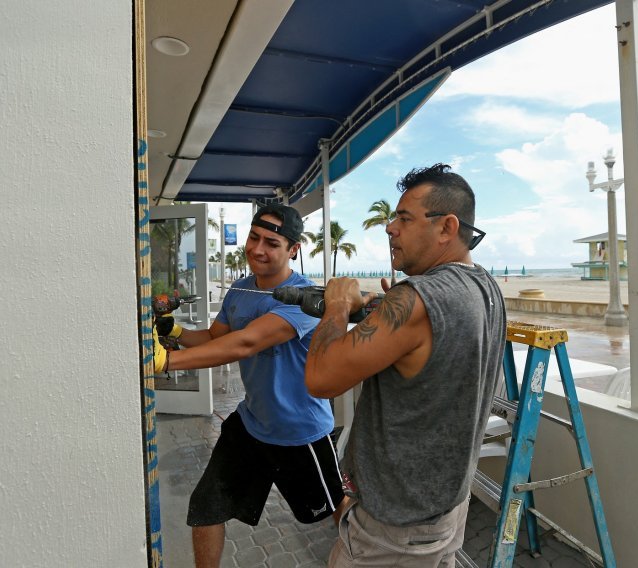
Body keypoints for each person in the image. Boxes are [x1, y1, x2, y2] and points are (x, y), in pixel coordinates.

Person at [305, 164, 506, 567]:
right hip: (445, 506)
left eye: (404, 217)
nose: (390, 228)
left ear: (447, 227)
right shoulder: (485, 286)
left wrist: (339, 306)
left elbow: (321, 378)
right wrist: (388, 310)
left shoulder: (415, 299)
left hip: (395, 529)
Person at [152, 204, 345, 568]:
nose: (257, 249)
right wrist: (174, 333)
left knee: (337, 510)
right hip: (251, 423)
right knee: (206, 508)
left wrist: (164, 362)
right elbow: (215, 338)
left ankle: (367, 557)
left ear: (293, 250)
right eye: (254, 238)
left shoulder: (307, 299)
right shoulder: (240, 291)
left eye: (271, 242)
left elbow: (246, 343)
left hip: (298, 430)